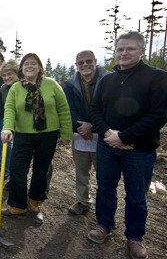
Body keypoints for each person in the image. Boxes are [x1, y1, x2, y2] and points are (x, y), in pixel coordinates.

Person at [88, 32, 167, 259]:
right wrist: (108, 134)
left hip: (140, 150)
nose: (124, 53)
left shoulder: (157, 77)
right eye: (120, 49)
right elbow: (95, 110)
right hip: (107, 147)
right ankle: (104, 225)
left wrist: (124, 137)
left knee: (136, 195)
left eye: (130, 49)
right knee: (105, 188)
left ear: (142, 51)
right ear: (115, 52)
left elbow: (158, 115)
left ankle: (134, 237)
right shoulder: (107, 80)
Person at [0, 53, 72, 223]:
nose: (29, 66)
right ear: (21, 69)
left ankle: (34, 203)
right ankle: (18, 206)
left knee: (41, 170)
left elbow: (63, 109)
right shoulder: (16, 88)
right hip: (23, 135)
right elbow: (9, 109)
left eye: (33, 64)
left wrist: (67, 134)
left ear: (40, 67)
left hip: (48, 134)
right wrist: (7, 127)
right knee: (17, 169)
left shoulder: (51, 84)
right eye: (26, 64)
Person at [63, 50, 110, 215]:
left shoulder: (109, 80)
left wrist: (93, 126)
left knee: (104, 174)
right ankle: (83, 201)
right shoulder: (69, 84)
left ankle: (105, 210)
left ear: (95, 61)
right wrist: (80, 126)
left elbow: (111, 108)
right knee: (81, 171)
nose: (85, 65)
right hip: (80, 134)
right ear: (76, 65)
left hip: (105, 135)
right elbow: (68, 109)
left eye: (88, 61)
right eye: (81, 62)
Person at [0, 59, 20, 181]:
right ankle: (14, 180)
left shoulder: (24, 85)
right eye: (4, 75)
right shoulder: (4, 89)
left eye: (10, 74)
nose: (6, 77)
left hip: (31, 127)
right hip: (15, 126)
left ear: (17, 72)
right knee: (16, 155)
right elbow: (8, 108)